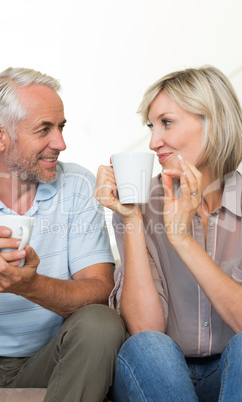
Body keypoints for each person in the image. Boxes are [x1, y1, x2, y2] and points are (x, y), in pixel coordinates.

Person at [0, 67, 125, 402]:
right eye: (44, 129)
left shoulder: (77, 185)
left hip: (50, 356)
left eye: (61, 127)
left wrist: (30, 285)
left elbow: (100, 291)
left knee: (101, 323)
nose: (60, 143)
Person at [94, 65, 242, 401]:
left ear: (213, 122)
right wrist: (131, 217)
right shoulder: (138, 206)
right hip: (159, 373)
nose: (153, 141)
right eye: (151, 126)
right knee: (147, 347)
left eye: (167, 122)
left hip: (231, 372)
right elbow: (146, 329)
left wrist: (182, 239)